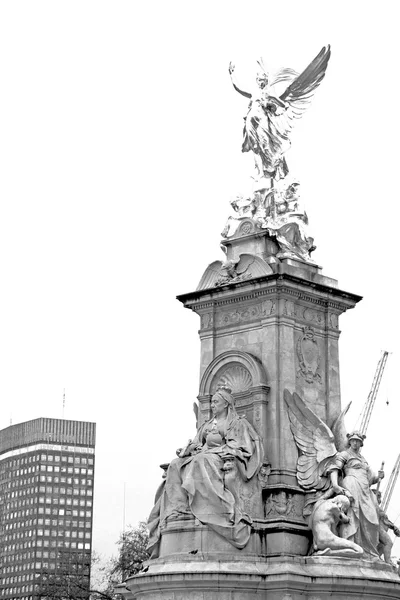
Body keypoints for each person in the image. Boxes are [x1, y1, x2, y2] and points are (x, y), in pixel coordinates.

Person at [147, 386, 264, 555]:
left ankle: (210, 508)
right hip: (204, 455)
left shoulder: (237, 423)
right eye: (211, 402)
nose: (212, 405)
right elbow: (198, 443)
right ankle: (179, 509)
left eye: (216, 402)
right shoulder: (207, 425)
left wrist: (212, 451)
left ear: (225, 404)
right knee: (175, 464)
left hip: (220, 458)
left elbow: (241, 447)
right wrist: (188, 449)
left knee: (201, 461)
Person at [228, 63, 290, 182]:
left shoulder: (269, 93)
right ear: (257, 81)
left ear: (266, 81)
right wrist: (232, 74)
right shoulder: (253, 93)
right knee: (255, 147)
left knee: (266, 146)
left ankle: (275, 169)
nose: (261, 82)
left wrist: (278, 107)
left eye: (263, 80)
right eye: (259, 80)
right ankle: (260, 172)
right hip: (251, 122)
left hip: (262, 122)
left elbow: (283, 104)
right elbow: (238, 88)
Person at [326, 431, 384, 557]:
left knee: (372, 519)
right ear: (350, 441)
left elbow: (370, 479)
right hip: (352, 483)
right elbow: (334, 468)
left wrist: (377, 477)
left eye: (357, 441)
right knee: (353, 513)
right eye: (353, 440)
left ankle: (368, 551)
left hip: (365, 489)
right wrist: (335, 485)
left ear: (361, 443)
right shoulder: (345, 454)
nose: (355, 442)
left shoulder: (363, 459)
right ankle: (350, 545)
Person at [373, 490, 400, 564]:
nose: (380, 500)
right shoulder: (373, 507)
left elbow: (386, 520)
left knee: (382, 545)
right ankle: (388, 561)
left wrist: (393, 527)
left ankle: (377, 558)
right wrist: (393, 527)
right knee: (388, 543)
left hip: (379, 529)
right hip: (378, 529)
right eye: (378, 496)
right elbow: (385, 520)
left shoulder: (377, 508)